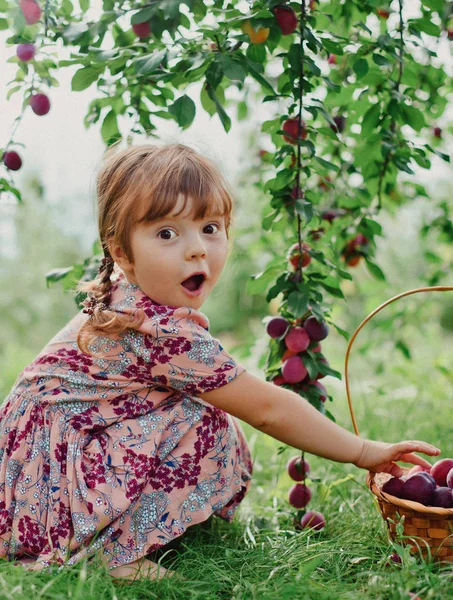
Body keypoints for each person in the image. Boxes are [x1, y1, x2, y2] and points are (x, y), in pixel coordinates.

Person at [0, 142, 440, 584]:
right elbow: (268, 409)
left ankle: (112, 532)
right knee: (208, 422)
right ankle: (107, 555)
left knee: (196, 411)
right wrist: (363, 452)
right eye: (167, 234)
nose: (196, 250)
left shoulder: (127, 298)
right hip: (51, 481)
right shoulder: (162, 332)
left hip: (24, 479)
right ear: (122, 252)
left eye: (210, 227)